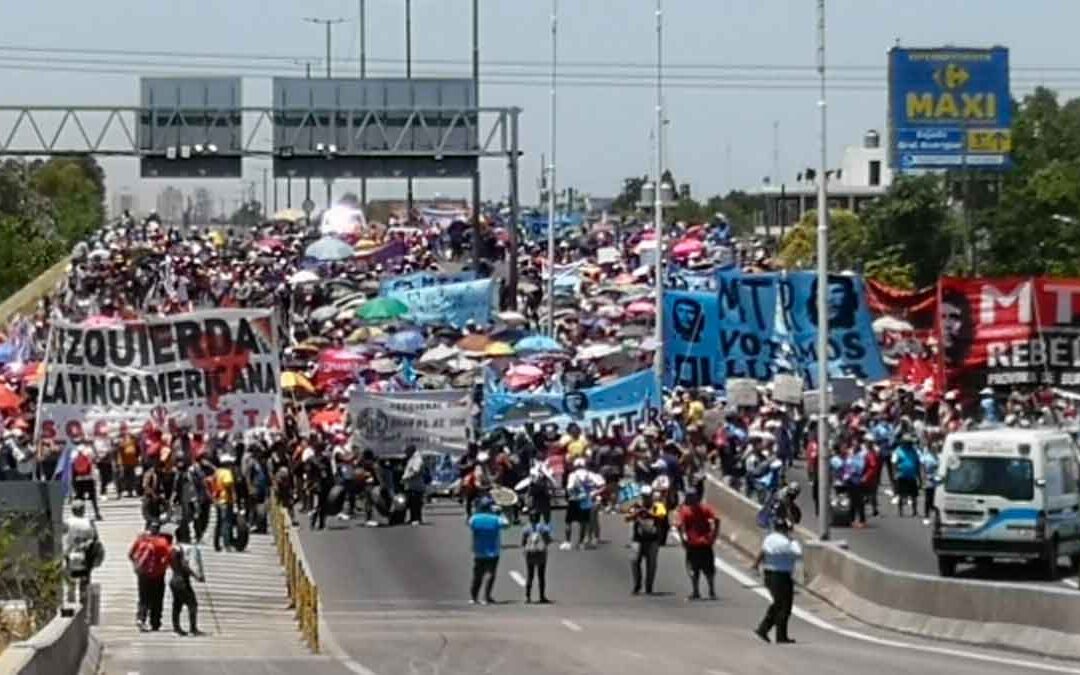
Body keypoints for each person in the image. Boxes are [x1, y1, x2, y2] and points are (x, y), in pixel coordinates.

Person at [752, 518, 802, 644]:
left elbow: (762, 552)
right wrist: (793, 540)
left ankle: (766, 629)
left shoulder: (769, 538)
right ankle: (775, 633)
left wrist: (756, 564)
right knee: (784, 606)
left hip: (769, 573)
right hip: (781, 575)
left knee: (778, 604)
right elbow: (798, 553)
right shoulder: (787, 542)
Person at [128, 520, 173, 632]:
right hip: (158, 574)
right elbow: (168, 557)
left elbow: (131, 554)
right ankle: (155, 622)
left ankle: (141, 618)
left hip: (143, 574)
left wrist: (137, 566)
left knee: (143, 597)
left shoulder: (141, 540)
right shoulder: (163, 542)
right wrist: (163, 567)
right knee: (157, 598)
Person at [676, 487, 719, 600]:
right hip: (702, 544)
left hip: (695, 544)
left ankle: (699, 591)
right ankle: (710, 590)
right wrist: (714, 535)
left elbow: (679, 526)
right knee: (706, 569)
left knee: (694, 568)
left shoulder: (685, 511)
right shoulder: (703, 509)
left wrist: (682, 540)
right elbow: (716, 520)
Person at [468, 496, 508, 605]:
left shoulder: (475, 518)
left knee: (477, 574)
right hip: (493, 550)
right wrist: (500, 513)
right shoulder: (495, 519)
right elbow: (506, 524)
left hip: (479, 550)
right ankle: (486, 597)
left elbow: (470, 524)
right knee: (490, 573)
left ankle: (473, 597)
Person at [627, 485, 666, 595]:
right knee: (634, 561)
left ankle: (649, 585)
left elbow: (662, 517)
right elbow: (627, 517)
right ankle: (637, 584)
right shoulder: (636, 505)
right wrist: (636, 513)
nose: (646, 498)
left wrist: (649, 513)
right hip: (638, 538)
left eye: (648, 496)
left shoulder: (658, 506)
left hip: (652, 539)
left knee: (651, 563)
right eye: (644, 496)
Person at [63, 500, 101, 603]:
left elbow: (62, 534)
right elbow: (95, 538)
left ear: (72, 510)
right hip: (85, 554)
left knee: (70, 577)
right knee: (85, 577)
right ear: (83, 510)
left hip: (70, 552)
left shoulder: (67, 522)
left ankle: (71, 598)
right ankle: (83, 598)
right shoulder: (89, 522)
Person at [169, 545, 205, 636]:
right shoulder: (180, 553)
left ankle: (176, 628)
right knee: (192, 604)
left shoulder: (172, 552)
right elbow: (185, 566)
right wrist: (197, 576)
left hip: (174, 580)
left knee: (177, 605)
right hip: (182, 581)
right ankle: (193, 629)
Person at [521, 510, 553, 604]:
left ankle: (528, 596)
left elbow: (523, 542)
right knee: (541, 575)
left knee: (530, 575)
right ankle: (542, 596)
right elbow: (548, 540)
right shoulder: (543, 528)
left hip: (530, 553)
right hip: (540, 553)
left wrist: (525, 549)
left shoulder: (526, 528)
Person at [71, 444, 103, 521]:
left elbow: (72, 468)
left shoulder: (74, 454)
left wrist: (73, 481)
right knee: (93, 498)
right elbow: (93, 463)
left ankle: (78, 514)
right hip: (89, 479)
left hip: (79, 480)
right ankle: (97, 513)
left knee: (79, 498)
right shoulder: (89, 452)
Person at [402, 445, 428, 526]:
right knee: (411, 503)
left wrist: (406, 477)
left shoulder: (417, 459)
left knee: (416, 503)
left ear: (411, 451)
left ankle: (417, 519)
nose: (405, 453)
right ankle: (413, 518)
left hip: (416, 485)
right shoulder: (412, 459)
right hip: (411, 485)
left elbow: (416, 471)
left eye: (407, 451)